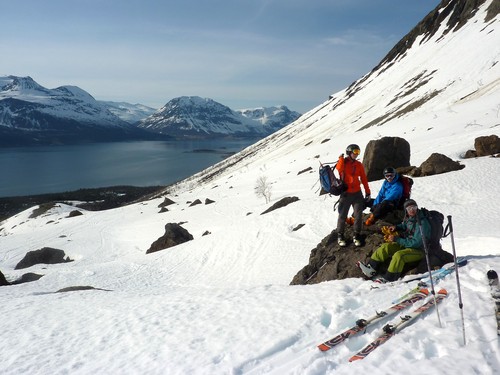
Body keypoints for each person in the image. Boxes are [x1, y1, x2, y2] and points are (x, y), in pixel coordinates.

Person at [357, 199, 431, 282]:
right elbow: (405, 225)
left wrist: (396, 239)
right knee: (386, 247)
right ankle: (370, 269)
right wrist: (396, 227)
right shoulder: (410, 218)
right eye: (409, 208)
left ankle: (389, 278)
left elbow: (416, 243)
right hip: (407, 244)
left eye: (414, 207)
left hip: (419, 250)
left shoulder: (422, 223)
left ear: (417, 207)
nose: (412, 210)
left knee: (399, 255)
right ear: (406, 210)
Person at [335, 144, 371, 247]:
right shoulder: (343, 163)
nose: (356, 154)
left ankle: (356, 235)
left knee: (358, 215)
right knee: (342, 215)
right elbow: (339, 169)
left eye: (358, 152)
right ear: (349, 152)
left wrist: (367, 192)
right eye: (354, 152)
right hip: (346, 194)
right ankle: (340, 235)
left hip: (357, 194)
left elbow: (364, 179)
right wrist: (341, 158)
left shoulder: (359, 165)